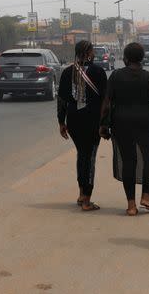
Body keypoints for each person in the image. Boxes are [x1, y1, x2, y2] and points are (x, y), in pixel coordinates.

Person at [99, 42, 149, 216]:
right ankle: (145, 197)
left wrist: (103, 125)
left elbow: (107, 103)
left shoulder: (116, 76)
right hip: (145, 122)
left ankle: (131, 205)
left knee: (128, 162)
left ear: (125, 58)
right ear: (142, 58)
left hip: (121, 123)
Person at [57, 40, 107, 211]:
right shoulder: (98, 72)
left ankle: (80, 193)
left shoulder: (67, 73)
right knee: (90, 158)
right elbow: (105, 101)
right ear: (90, 53)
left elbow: (62, 100)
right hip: (92, 122)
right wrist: (105, 122)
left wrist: (61, 122)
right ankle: (87, 199)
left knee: (81, 156)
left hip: (73, 122)